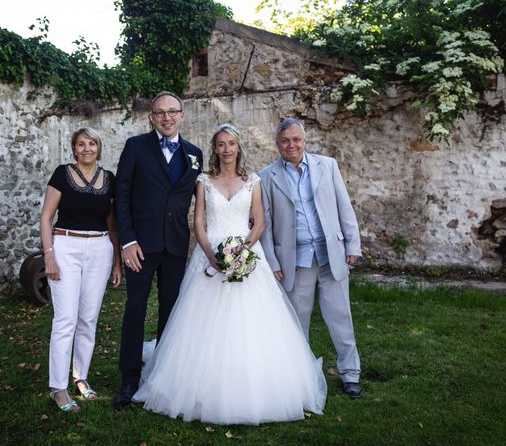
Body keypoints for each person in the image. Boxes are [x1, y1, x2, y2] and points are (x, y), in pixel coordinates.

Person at [133, 124, 327, 425]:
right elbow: (198, 223)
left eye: (231, 144)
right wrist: (214, 257)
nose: (226, 149)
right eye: (221, 144)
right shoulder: (204, 181)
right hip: (209, 256)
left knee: (253, 323)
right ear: (215, 149)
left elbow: (260, 222)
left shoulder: (253, 181)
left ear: (239, 148)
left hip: (247, 256)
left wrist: (241, 253)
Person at [259, 118, 362, 399]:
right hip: (295, 261)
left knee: (341, 317)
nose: (291, 145)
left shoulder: (327, 166)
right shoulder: (266, 176)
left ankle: (350, 373)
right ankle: (300, 378)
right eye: (285, 141)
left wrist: (353, 245)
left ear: (305, 141)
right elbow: (263, 224)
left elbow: (345, 207)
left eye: (296, 140)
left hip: (331, 256)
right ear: (277, 143)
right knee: (296, 323)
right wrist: (273, 263)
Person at [113, 91, 204, 409]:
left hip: (176, 245)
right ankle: (129, 379)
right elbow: (121, 194)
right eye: (159, 112)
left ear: (182, 115)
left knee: (171, 311)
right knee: (135, 309)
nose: (166, 117)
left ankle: (164, 374)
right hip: (140, 245)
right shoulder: (136, 147)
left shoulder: (195, 154)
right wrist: (127, 240)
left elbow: (199, 198)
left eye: (172, 112)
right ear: (152, 117)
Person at [40, 127, 122, 412]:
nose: (87, 148)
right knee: (65, 320)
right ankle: (58, 388)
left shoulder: (109, 179)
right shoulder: (62, 174)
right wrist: (48, 255)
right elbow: (46, 217)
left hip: (100, 249)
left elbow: (112, 223)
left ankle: (81, 377)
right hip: (65, 247)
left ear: (99, 148)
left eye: (92, 144)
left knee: (88, 318)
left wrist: (116, 261)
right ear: (74, 149)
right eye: (81, 144)